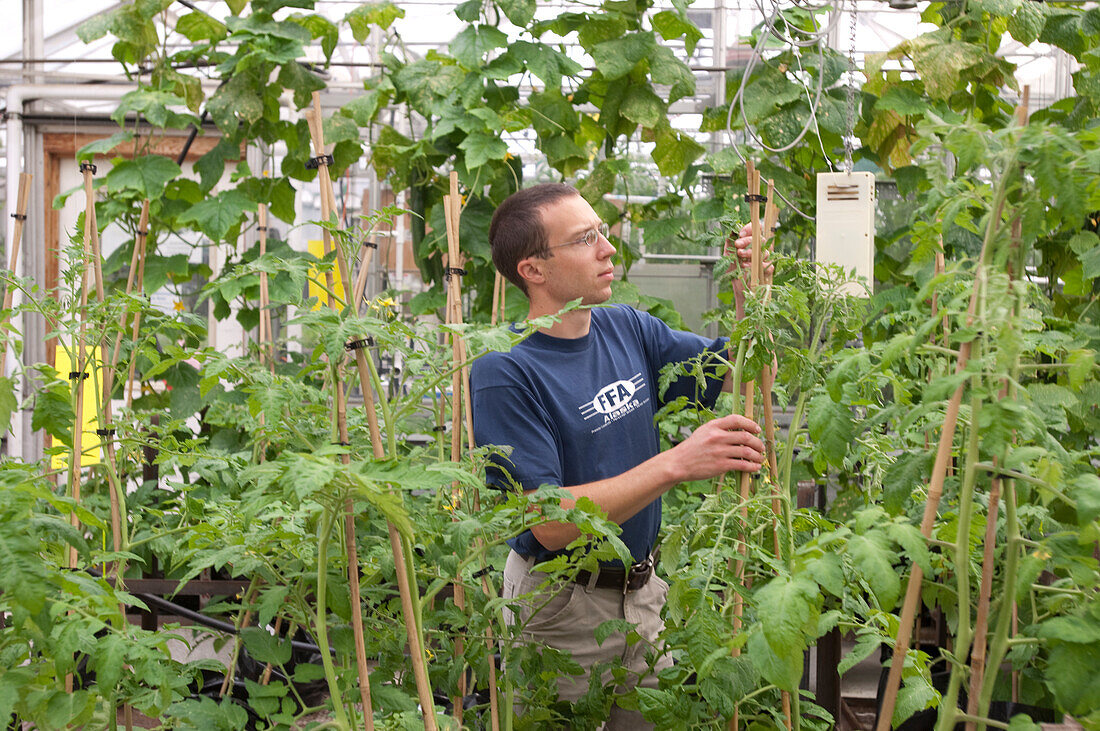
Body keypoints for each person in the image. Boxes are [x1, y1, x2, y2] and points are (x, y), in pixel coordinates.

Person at [470, 183, 766, 728]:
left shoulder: (625, 326)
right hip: (559, 607)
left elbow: (730, 369)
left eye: (602, 231)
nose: (608, 249)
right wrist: (678, 463)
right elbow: (550, 524)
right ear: (533, 269)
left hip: (642, 593)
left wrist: (749, 289)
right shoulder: (505, 370)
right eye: (586, 239)